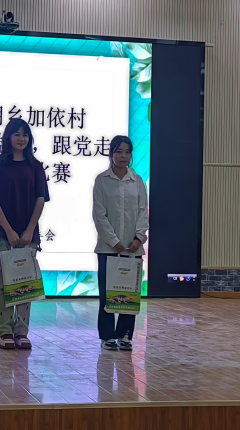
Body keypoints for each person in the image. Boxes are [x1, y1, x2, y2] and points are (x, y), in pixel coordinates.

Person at [0, 118, 49, 350]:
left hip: (29, 233)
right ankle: (4, 331)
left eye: (25, 135)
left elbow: (41, 199)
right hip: (2, 232)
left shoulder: (35, 166)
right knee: (3, 283)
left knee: (25, 282)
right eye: (17, 134)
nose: (21, 139)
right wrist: (9, 230)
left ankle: (21, 331)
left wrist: (29, 229)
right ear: (8, 137)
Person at [92, 135, 149, 351]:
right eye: (118, 151)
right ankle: (107, 336)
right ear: (111, 153)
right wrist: (114, 241)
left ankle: (125, 335)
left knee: (129, 293)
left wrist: (138, 238)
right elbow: (99, 215)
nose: (123, 156)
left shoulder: (137, 181)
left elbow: (143, 212)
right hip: (108, 248)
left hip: (133, 248)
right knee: (107, 293)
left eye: (127, 152)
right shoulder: (102, 180)